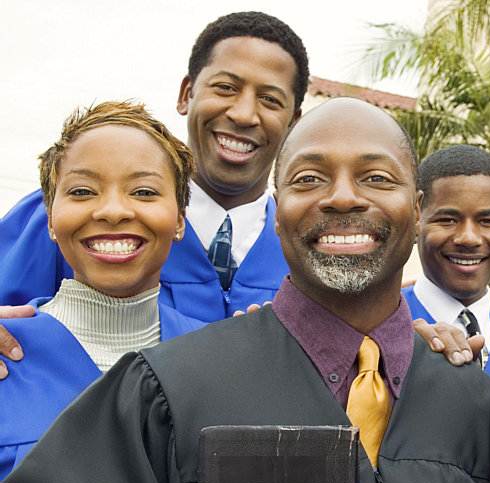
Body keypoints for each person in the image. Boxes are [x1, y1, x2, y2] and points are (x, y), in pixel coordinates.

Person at [0, 98, 490, 483]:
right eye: (308, 179)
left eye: (376, 177)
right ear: (276, 212)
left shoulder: (477, 404)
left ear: (418, 209)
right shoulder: (171, 388)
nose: (342, 198)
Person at [0, 11, 307, 324]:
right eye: (225, 87)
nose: (243, 114)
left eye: (269, 99)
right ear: (187, 95)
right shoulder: (68, 217)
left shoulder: (307, 251)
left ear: (294, 123)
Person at [0, 101, 206, 479]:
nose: (112, 210)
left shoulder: (216, 357)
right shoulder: (7, 355)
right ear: (50, 218)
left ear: (179, 220)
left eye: (143, 192)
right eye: (82, 191)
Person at [404, 144, 490, 376]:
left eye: (487, 221)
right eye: (447, 220)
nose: (468, 238)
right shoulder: (374, 330)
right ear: (417, 220)